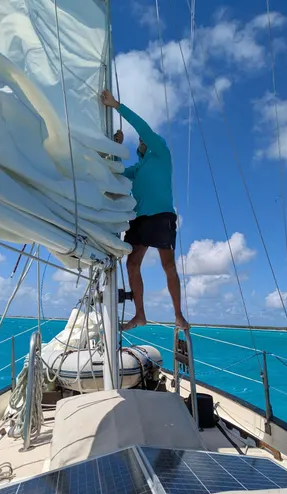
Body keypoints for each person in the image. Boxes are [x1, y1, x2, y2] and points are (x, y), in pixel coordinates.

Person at [101, 89, 188, 331]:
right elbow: (118, 173)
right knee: (132, 264)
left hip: (161, 216)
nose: (140, 141)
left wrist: (117, 106)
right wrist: (115, 147)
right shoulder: (139, 168)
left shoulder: (160, 151)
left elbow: (143, 128)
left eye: (142, 140)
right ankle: (140, 314)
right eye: (139, 141)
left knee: (168, 265)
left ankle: (178, 315)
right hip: (139, 220)